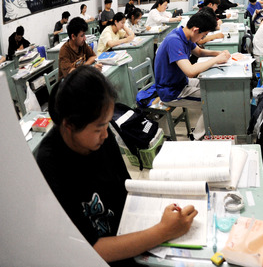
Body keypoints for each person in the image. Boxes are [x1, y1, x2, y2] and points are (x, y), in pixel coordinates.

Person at [35, 66, 197, 266]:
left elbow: (125, 187)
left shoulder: (101, 137)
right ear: (69, 126)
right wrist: (163, 231)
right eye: (98, 128)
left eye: (106, 124)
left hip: (127, 231)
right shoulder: (50, 165)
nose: (106, 134)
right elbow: (90, 249)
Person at [154, 10, 231, 138]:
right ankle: (197, 137)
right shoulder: (174, 41)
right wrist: (216, 60)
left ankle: (205, 128)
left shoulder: (184, 34)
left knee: (215, 88)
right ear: (196, 30)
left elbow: (199, 52)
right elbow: (190, 71)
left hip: (181, 82)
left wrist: (218, 53)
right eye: (203, 35)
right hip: (171, 91)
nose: (202, 39)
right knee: (213, 100)